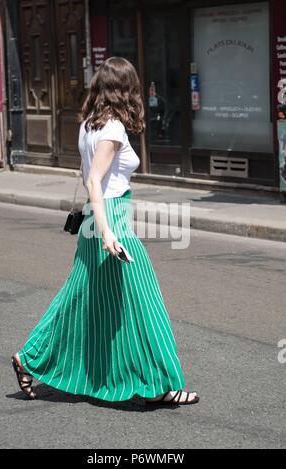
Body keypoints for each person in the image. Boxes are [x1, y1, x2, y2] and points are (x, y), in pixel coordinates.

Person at [11, 57, 199, 407]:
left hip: (95, 222)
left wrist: (87, 220)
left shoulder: (87, 125)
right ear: (124, 90)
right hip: (110, 220)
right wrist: (108, 232)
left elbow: (85, 175)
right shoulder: (113, 129)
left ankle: (29, 357)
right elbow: (95, 180)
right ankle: (161, 385)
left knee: (81, 300)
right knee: (144, 300)